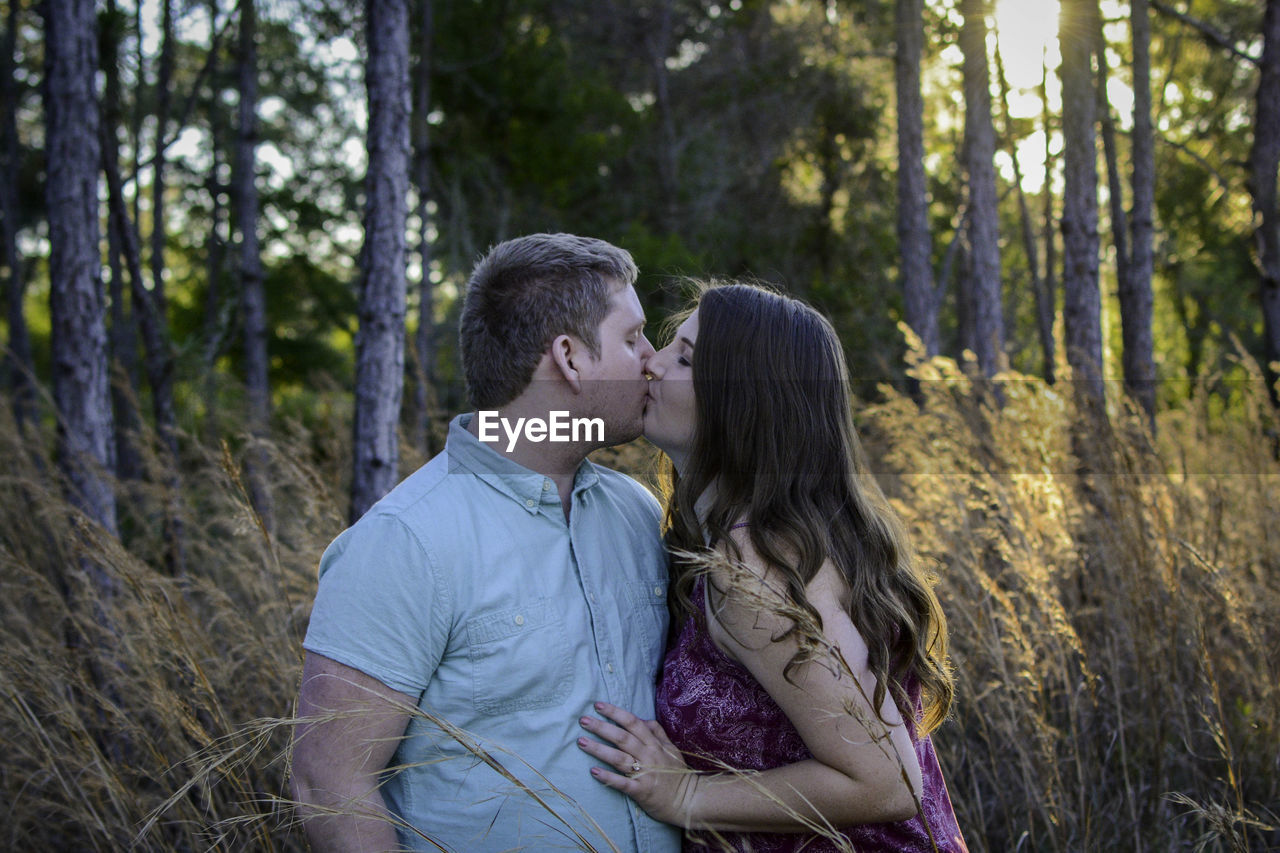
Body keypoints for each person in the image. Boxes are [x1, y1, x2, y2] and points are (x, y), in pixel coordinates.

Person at [290, 233, 682, 853]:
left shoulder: (634, 511)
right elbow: (329, 784)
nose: (652, 359)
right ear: (570, 358)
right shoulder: (405, 542)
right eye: (632, 338)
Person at [575, 282, 968, 852]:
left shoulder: (756, 567)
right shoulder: (767, 538)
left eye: (683, 358)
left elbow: (888, 783)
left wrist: (685, 796)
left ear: (745, 403)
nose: (651, 366)